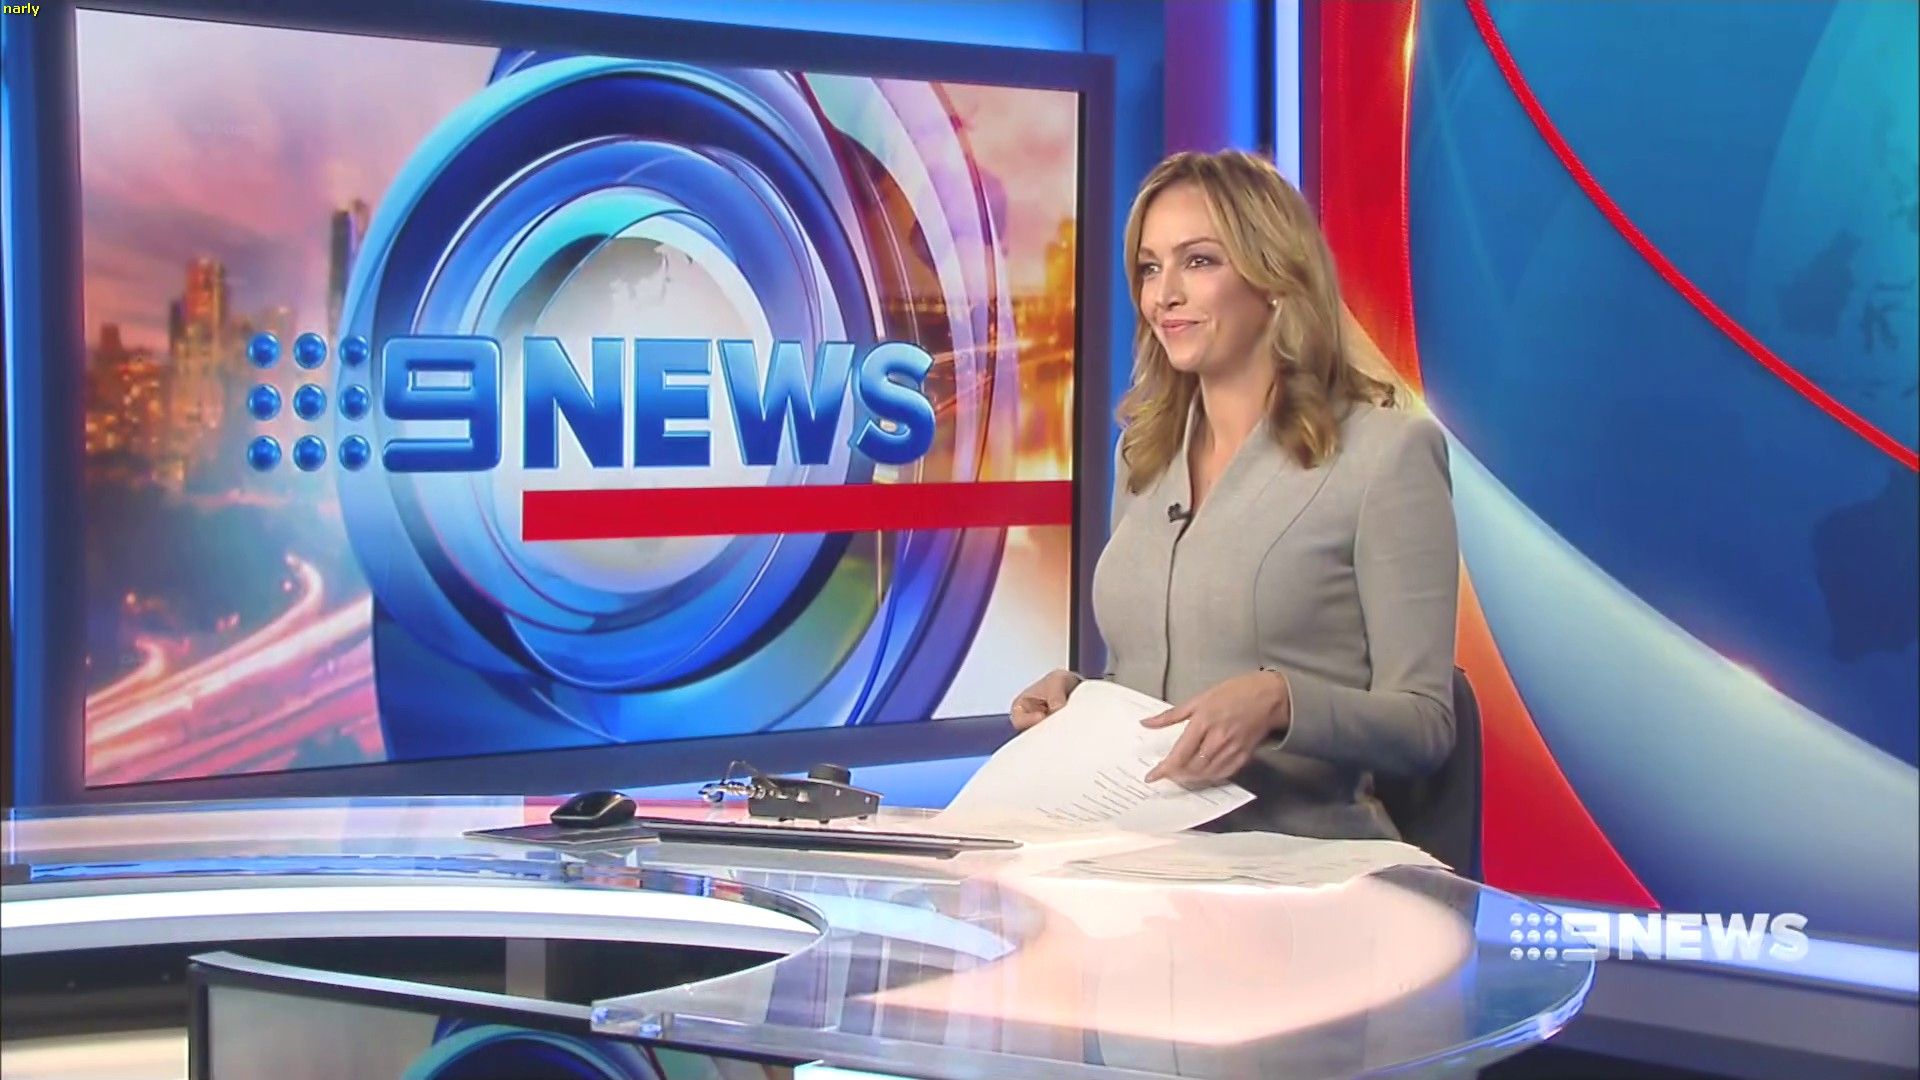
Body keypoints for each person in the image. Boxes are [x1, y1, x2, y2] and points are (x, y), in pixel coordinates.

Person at [1009, 150, 1460, 840]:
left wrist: (1282, 702)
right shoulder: (1144, 455)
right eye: (1150, 268)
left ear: (1273, 278)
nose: (1164, 295)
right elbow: (1146, 674)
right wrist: (1080, 700)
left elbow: (1426, 724)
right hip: (1139, 853)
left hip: (1301, 863)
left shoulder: (1387, 455)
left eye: (1198, 262)